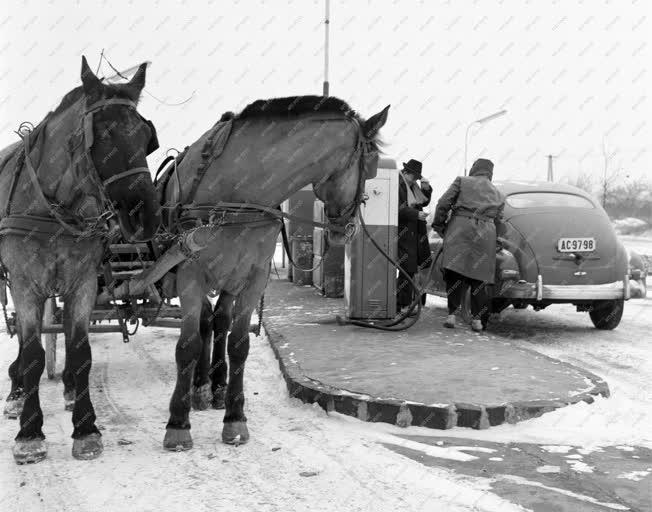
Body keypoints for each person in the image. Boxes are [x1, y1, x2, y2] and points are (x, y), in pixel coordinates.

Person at [431, 158, 504, 331]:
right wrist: (497, 240)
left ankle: (451, 315)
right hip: (486, 233)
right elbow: (499, 221)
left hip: (461, 228)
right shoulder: (499, 194)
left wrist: (439, 225)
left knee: (455, 272)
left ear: (474, 169)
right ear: (490, 173)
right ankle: (477, 320)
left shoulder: (462, 181)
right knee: (479, 277)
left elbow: (443, 203)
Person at [397, 159, 432, 314]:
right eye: (414, 177)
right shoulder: (397, 185)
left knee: (410, 270)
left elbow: (422, 202)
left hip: (413, 233)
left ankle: (404, 304)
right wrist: (416, 214)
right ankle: (401, 305)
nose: (415, 181)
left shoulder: (411, 186)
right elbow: (397, 209)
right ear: (406, 173)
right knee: (407, 269)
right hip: (404, 233)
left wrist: (426, 189)